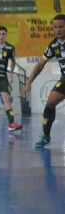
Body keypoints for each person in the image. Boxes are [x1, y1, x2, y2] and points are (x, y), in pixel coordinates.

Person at [20, 14, 65, 148]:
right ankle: (46, 136)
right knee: (50, 102)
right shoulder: (54, 45)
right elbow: (40, 65)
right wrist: (28, 83)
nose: (58, 30)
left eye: (61, 27)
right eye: (55, 27)